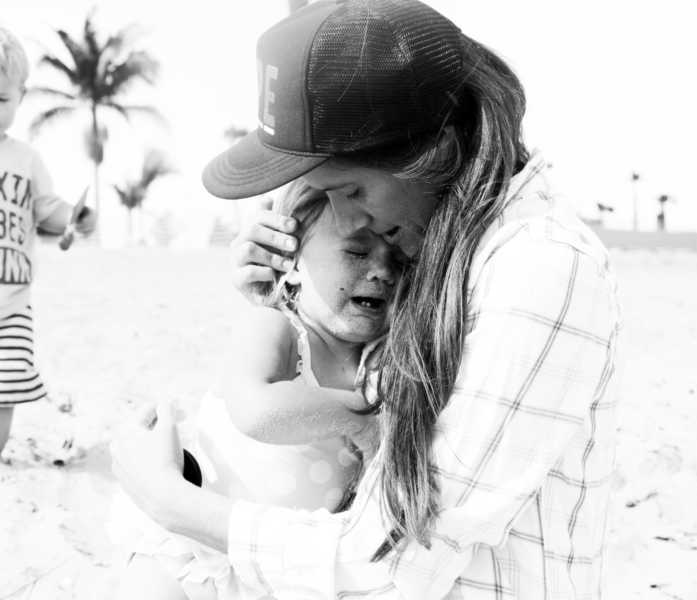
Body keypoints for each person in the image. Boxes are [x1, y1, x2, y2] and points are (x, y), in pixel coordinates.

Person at [111, 1, 623, 597]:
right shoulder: (448, 246)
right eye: (328, 203)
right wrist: (277, 290)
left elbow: (396, 561)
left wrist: (171, 504)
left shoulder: (537, 271)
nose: (352, 222)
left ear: (426, 156)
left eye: (352, 190)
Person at [112, 180, 393, 599]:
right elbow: (254, 409)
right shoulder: (279, 327)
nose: (383, 272)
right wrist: (354, 418)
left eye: (401, 262)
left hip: (268, 569)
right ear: (293, 265)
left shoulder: (377, 363)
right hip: (193, 552)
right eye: (356, 251)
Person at [0, 27, 96, 456]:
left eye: (0, 100)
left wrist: (75, 220)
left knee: (6, 387)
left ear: (21, 96)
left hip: (14, 300)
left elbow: (48, 210)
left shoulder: (26, 159)